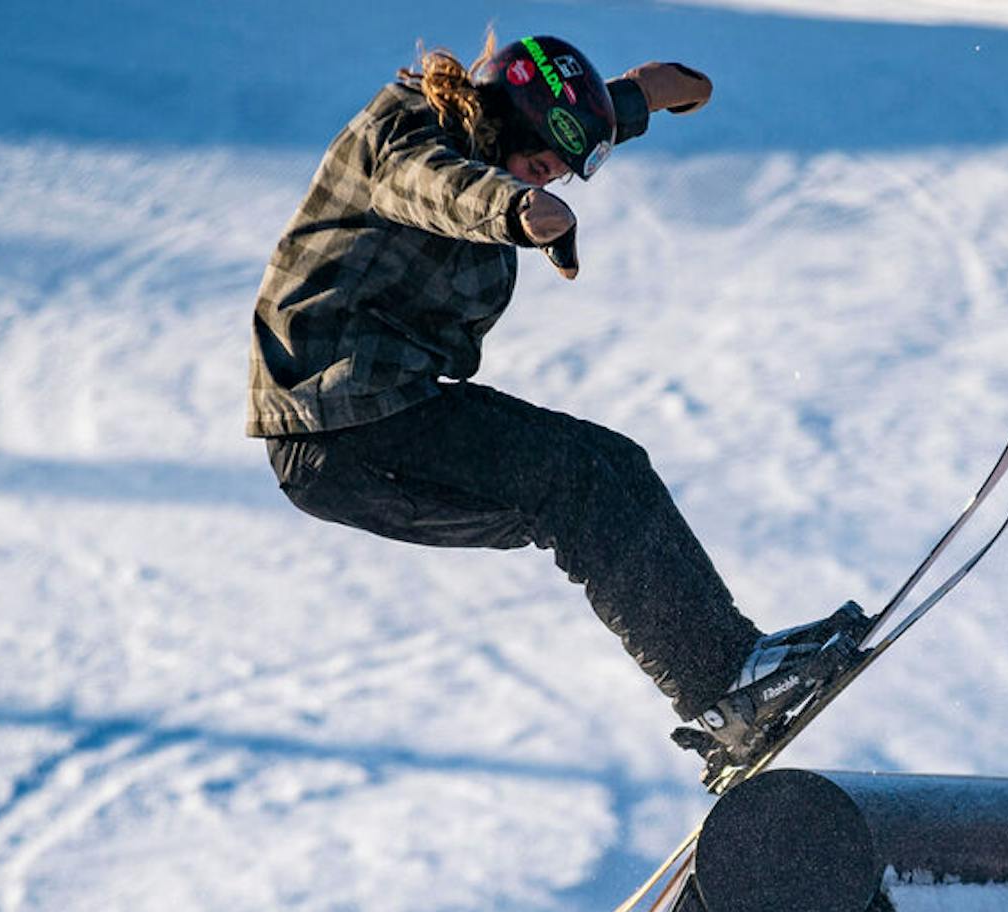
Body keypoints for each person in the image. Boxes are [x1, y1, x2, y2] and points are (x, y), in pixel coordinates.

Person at [248, 32, 870, 784]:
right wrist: (514, 208)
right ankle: (723, 690)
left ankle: (737, 667)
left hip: (382, 411)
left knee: (612, 464)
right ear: (505, 120)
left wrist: (644, 94)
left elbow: (568, 116)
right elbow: (435, 186)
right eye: (542, 165)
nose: (553, 183)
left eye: (561, 175)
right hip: (334, 423)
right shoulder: (406, 130)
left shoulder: (498, 124)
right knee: (570, 482)